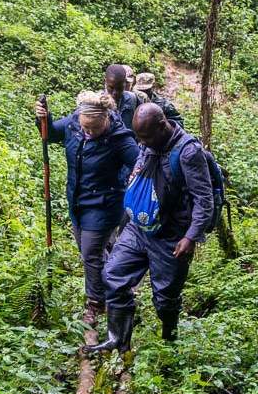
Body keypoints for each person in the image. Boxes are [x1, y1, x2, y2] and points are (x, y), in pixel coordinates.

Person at [84, 103, 214, 354]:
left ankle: (169, 346)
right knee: (113, 275)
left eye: (145, 137)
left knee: (165, 300)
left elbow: (204, 199)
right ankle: (118, 340)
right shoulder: (148, 143)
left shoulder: (187, 152)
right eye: (138, 137)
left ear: (161, 126)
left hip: (172, 236)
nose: (141, 143)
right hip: (139, 228)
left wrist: (191, 237)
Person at [35, 91, 140, 324]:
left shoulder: (119, 139)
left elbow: (141, 162)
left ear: (106, 120)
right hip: (78, 202)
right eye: (85, 128)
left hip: (106, 204)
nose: (88, 132)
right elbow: (51, 134)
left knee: (90, 253)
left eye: (93, 129)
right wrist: (44, 118)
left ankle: (95, 303)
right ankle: (120, 281)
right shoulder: (74, 123)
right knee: (90, 250)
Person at [104, 63, 140, 131]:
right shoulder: (97, 102)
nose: (115, 93)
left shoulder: (133, 99)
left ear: (125, 83)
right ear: (105, 81)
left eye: (119, 88)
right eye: (111, 88)